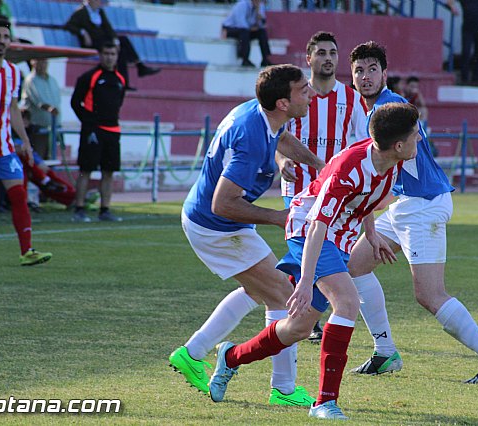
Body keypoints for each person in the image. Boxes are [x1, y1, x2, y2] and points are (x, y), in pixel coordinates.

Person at [207, 102, 421, 420]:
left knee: (297, 327)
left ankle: (232, 356)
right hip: (309, 229)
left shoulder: (391, 160)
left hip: (337, 237)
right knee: (347, 302)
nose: (421, 139)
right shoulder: (350, 167)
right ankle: (324, 402)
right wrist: (306, 281)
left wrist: (372, 234)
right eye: (416, 135)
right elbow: (317, 225)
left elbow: (366, 199)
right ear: (398, 144)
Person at [346, 41, 478, 383]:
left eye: (372, 69)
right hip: (406, 204)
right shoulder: (374, 109)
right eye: (359, 71)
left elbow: (399, 159)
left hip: (422, 204)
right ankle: (385, 352)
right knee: (355, 266)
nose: (365, 76)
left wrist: (363, 204)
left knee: (429, 294)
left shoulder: (390, 108)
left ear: (385, 74)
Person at [169, 64, 325, 407]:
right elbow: (223, 203)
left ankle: (192, 352)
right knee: (284, 293)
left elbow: (281, 137)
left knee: (262, 290)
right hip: (216, 225)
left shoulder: (261, 114)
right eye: (303, 89)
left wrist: (318, 165)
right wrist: (278, 217)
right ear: (283, 102)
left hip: (211, 220)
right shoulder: (251, 138)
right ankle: (283, 390)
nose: (310, 93)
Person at [276, 31, 368, 343]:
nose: (327, 58)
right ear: (309, 58)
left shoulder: (352, 99)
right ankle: (297, 313)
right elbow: (279, 136)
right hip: (300, 192)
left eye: (332, 52)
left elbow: (360, 145)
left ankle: (303, 313)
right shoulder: (297, 95)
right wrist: (280, 162)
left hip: (337, 196)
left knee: (330, 258)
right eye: (321, 53)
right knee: (305, 256)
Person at [0, 19, 52, 266]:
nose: (2, 41)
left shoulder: (13, 72)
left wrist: (25, 141)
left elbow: (13, 108)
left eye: (6, 36)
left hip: (5, 148)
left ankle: (27, 251)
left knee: (19, 195)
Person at [70, 41, 126, 223]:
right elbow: (75, 102)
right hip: (93, 131)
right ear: (100, 55)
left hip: (113, 131)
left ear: (116, 56)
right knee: (85, 169)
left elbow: (119, 103)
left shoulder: (120, 79)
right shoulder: (90, 77)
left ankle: (105, 209)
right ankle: (79, 208)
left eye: (113, 54)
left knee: (108, 171)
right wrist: (89, 123)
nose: (109, 57)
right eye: (106, 53)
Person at [65, 0, 160, 90]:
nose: (99, 2)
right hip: (93, 43)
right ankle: (134, 73)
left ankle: (138, 66)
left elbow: (108, 28)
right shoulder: (81, 12)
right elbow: (69, 25)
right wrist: (83, 32)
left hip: (104, 41)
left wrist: (115, 41)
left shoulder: (100, 12)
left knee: (123, 41)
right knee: (119, 51)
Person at [14, 109, 76, 209]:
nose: (23, 123)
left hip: (33, 166)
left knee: (46, 174)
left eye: (26, 120)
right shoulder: (8, 132)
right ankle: (71, 195)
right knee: (29, 167)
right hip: (20, 165)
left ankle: (72, 195)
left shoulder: (31, 131)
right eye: (21, 119)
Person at [21, 58, 62, 160]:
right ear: (32, 62)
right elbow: (39, 101)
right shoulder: (31, 80)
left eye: (44, 61)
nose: (43, 64)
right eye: (39, 61)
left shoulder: (52, 80)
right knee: (38, 161)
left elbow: (57, 101)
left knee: (51, 160)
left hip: (52, 129)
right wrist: (50, 109)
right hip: (37, 129)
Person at [221, 0, 273, 68]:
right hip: (231, 28)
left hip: (248, 28)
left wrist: (258, 15)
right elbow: (241, 23)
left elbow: (261, 24)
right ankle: (245, 59)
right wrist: (252, 29)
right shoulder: (242, 5)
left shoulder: (260, 6)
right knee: (244, 32)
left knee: (262, 32)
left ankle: (265, 59)